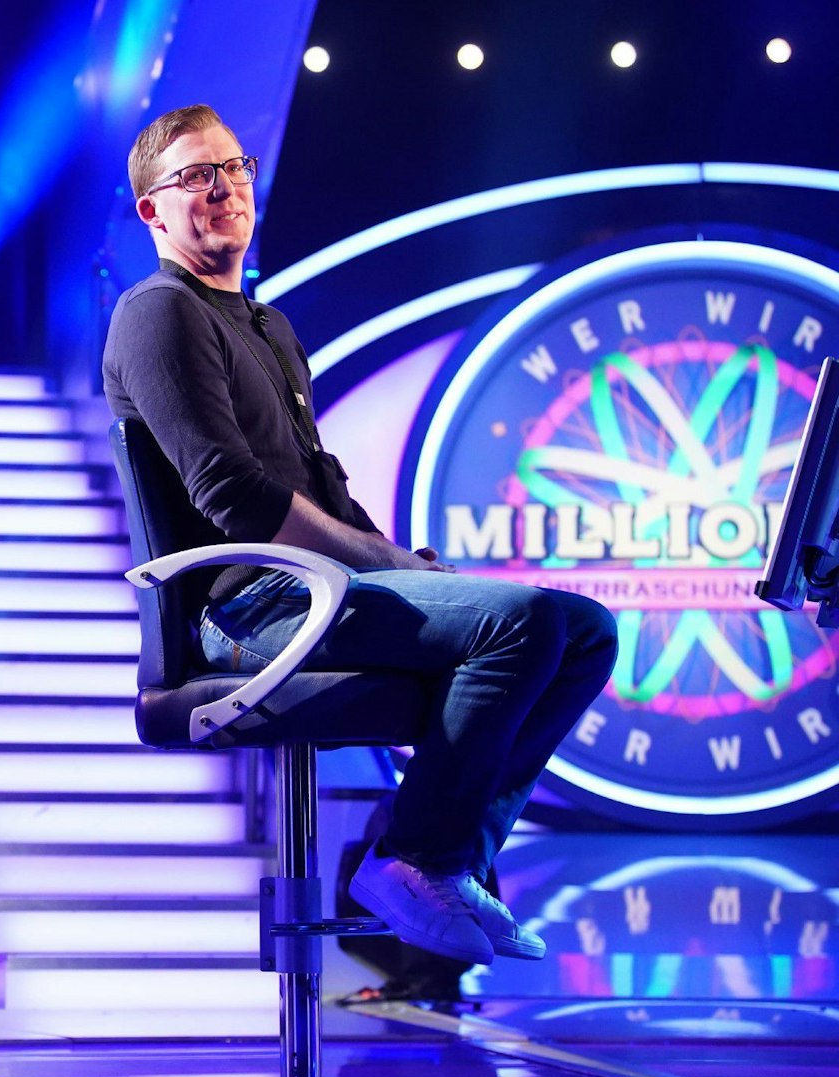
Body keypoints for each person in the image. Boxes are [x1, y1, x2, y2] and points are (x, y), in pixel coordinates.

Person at [105, 104, 620, 966]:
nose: (225, 186)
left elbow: (324, 487)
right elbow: (230, 491)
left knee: (586, 630)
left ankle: (454, 863)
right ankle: (414, 859)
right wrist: (384, 566)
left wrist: (409, 565)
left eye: (235, 168)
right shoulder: (158, 312)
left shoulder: (266, 325)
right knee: (521, 621)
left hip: (322, 587)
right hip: (251, 608)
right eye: (196, 176)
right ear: (152, 211)